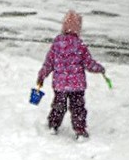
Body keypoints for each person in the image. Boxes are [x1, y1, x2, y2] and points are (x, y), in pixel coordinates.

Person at [37, 10, 107, 140]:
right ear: (78, 28)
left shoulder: (57, 44)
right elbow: (89, 64)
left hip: (60, 84)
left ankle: (53, 125)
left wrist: (42, 75)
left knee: (59, 105)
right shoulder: (80, 46)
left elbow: (49, 62)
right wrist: (100, 69)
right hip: (77, 85)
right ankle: (80, 130)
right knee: (78, 108)